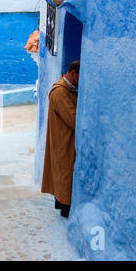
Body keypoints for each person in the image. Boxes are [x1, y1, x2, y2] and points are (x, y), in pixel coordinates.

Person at [41, 60, 80, 218]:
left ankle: (62, 201)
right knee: (65, 172)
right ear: (72, 73)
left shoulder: (67, 90)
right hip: (63, 140)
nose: (79, 81)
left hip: (64, 138)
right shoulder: (60, 92)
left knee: (65, 172)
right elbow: (72, 118)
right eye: (78, 77)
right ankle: (65, 207)